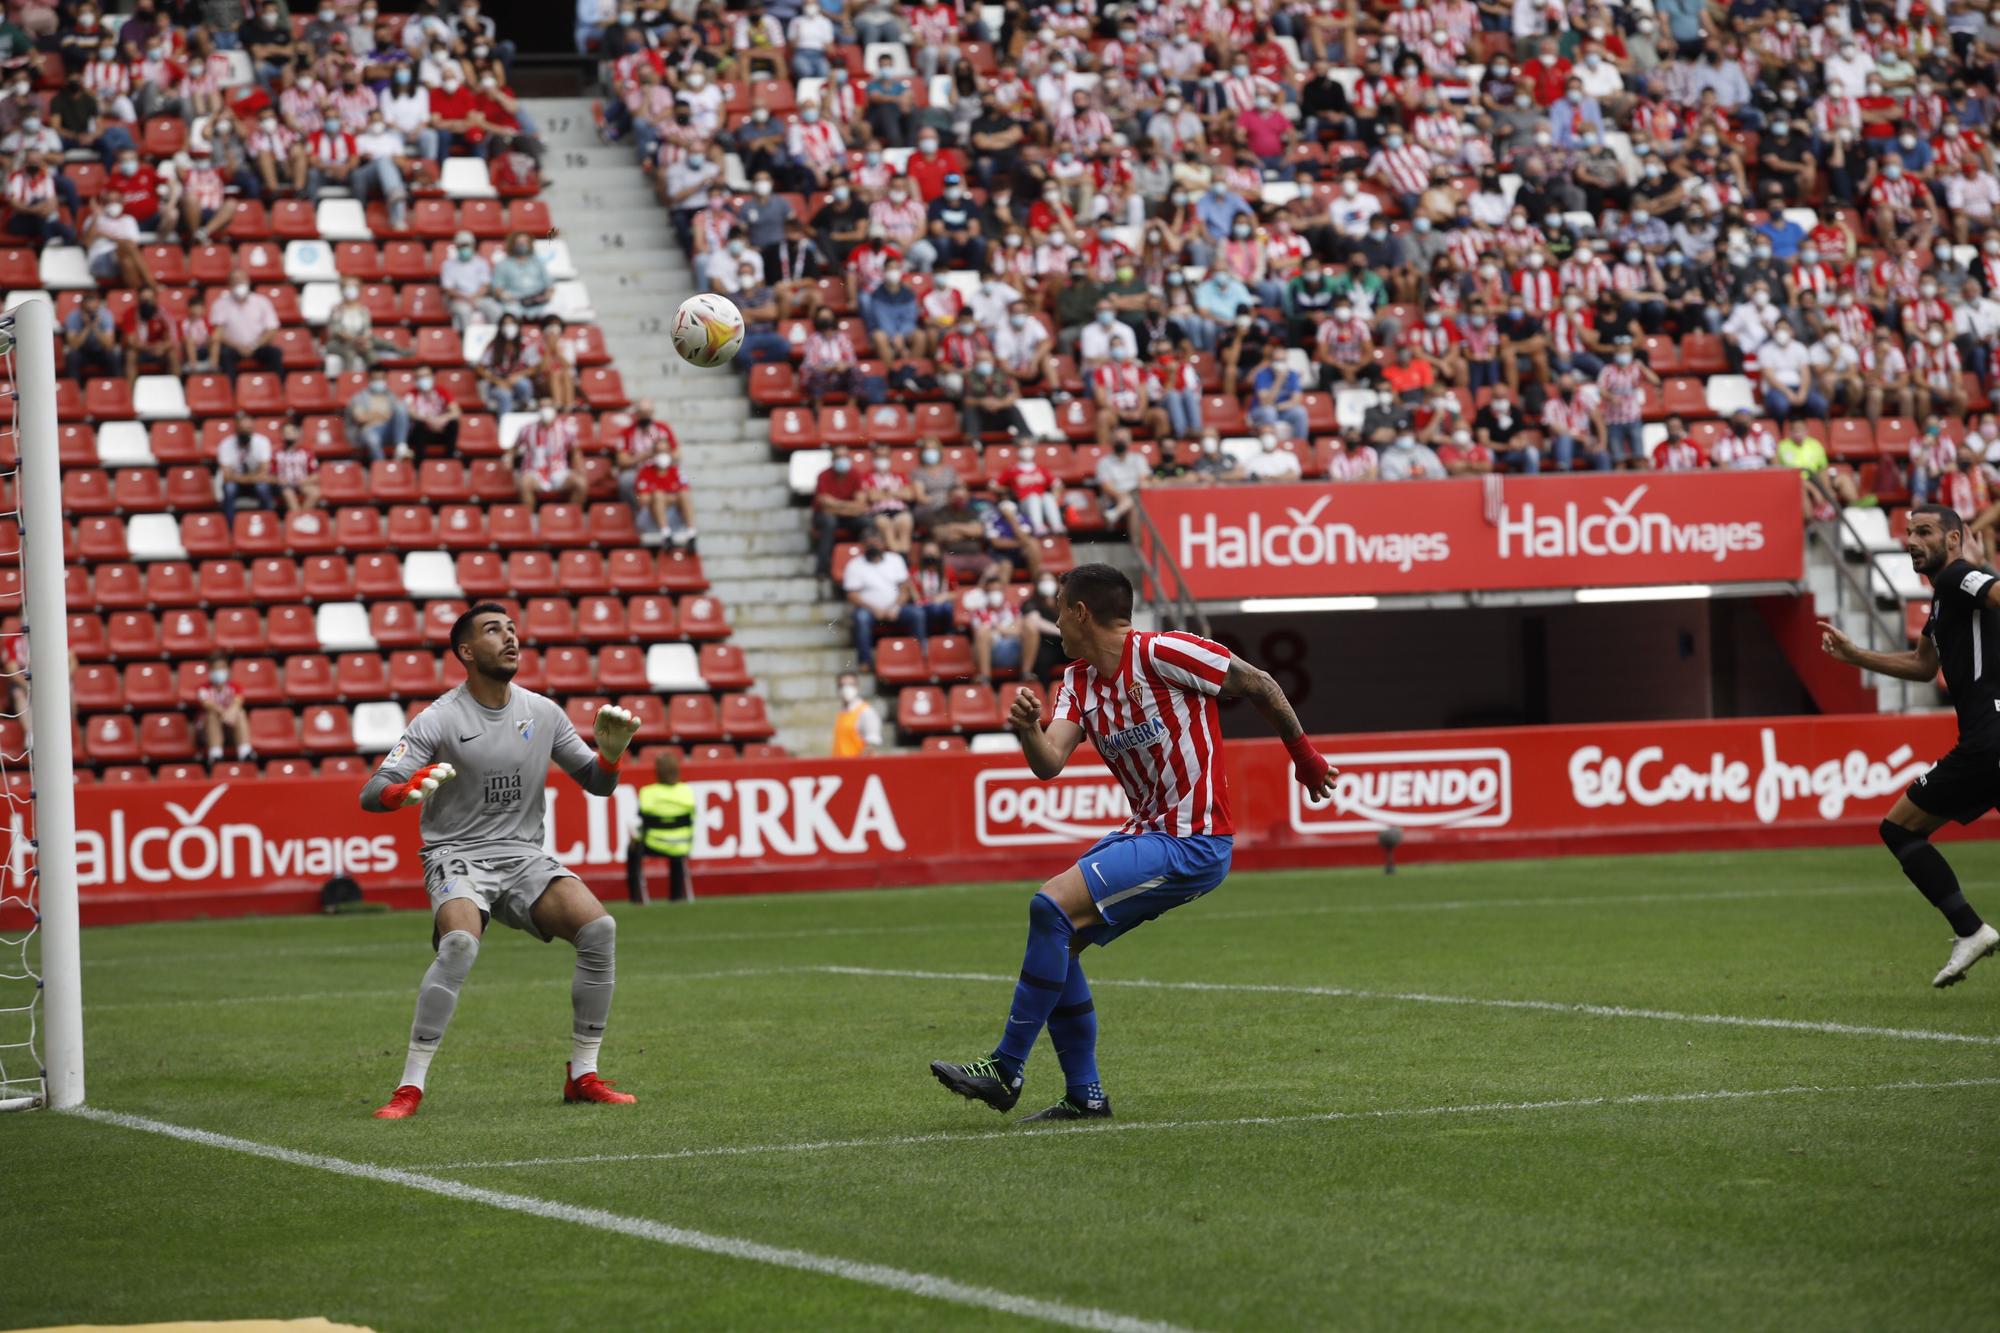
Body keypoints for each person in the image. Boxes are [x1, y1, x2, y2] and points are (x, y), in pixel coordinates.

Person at [929, 565, 1333, 1120]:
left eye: (1059, 612)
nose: (1054, 624)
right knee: (1060, 939)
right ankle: (1085, 1096)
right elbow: (1049, 763)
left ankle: (1006, 1068)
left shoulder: (1167, 653)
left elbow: (1261, 684)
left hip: (1193, 840)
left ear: (1080, 613)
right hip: (1146, 831)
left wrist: (1305, 759)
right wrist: (1027, 732)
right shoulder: (1077, 682)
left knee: (1049, 905)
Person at [363, 604, 641, 1118]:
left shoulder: (543, 712)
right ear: (466, 652)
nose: (510, 638)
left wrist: (611, 756)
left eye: (512, 628)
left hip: (523, 856)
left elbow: (598, 784)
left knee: (600, 929)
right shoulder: (439, 718)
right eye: (494, 631)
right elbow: (372, 790)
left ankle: (583, 1074)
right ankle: (410, 1087)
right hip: (457, 853)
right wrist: (401, 792)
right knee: (461, 944)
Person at [1818, 506, 2000, 988]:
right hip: (1990, 740)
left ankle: (1970, 929)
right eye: (1909, 532)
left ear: (1955, 540)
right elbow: (1923, 666)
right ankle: (1971, 931)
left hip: (1987, 742)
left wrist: (1979, 570)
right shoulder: (1945, 596)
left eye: (1925, 532)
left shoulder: (1960, 577)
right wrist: (1857, 656)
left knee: (1899, 829)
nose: (1913, 540)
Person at [842, 533, 925, 671]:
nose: (873, 546)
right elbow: (852, 595)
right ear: (863, 546)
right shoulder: (854, 565)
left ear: (883, 544)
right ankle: (865, 661)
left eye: (876, 543)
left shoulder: (895, 559)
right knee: (861, 618)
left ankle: (920, 656)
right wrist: (874, 609)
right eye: (869, 544)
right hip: (869, 609)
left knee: (917, 614)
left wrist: (896, 606)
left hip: (896, 607)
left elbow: (905, 588)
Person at [627, 750, 694, 905]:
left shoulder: (648, 792)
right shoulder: (687, 791)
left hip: (654, 844)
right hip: (682, 844)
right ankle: (677, 896)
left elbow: (642, 820)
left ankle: (636, 898)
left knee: (632, 849)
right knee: (676, 855)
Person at [511, 401, 589, 507]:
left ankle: (571, 517)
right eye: (543, 406)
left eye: (549, 406)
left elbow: (575, 451)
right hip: (534, 471)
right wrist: (508, 459)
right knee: (524, 484)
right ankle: (529, 520)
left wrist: (579, 466)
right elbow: (513, 448)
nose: (546, 410)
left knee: (580, 483)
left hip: (559, 471)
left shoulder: (566, 429)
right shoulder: (526, 429)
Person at [217, 413, 278, 524]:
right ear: (236, 428)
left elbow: (264, 472)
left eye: (248, 428)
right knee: (229, 489)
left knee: (263, 488)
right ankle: (230, 527)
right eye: (242, 428)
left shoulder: (262, 442)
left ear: (253, 428)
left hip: (253, 482)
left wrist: (241, 478)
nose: (245, 432)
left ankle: (268, 524)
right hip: (237, 484)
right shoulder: (226, 444)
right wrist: (252, 477)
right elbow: (226, 476)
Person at [196, 656, 254, 763]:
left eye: (222, 668)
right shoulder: (203, 689)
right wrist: (224, 713)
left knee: (240, 713)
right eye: (215, 668)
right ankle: (215, 754)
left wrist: (231, 712)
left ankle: (245, 752)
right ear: (210, 670)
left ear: (227, 669)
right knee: (212, 715)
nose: (219, 671)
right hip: (207, 732)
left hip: (230, 728)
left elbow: (238, 702)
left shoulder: (236, 687)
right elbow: (208, 704)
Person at [832, 670, 883, 757]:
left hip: (857, 767)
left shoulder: (866, 712)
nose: (846, 689)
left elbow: (872, 744)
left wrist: (857, 765)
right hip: (840, 766)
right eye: (842, 685)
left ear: (858, 687)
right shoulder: (842, 712)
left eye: (851, 685)